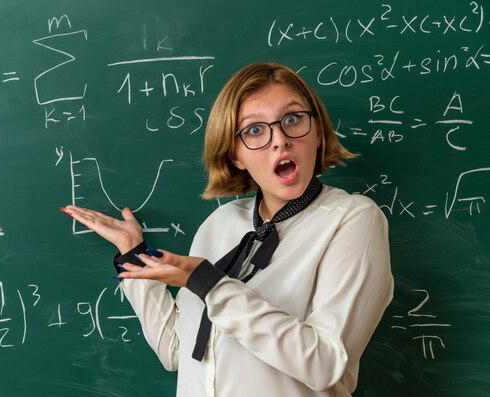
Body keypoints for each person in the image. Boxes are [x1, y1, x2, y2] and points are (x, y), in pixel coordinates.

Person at [61, 63, 394, 396]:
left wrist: (210, 284)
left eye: (292, 120)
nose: (280, 140)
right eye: (254, 130)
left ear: (317, 131)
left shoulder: (352, 219)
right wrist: (133, 252)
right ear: (235, 155)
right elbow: (177, 351)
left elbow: (324, 364)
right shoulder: (219, 225)